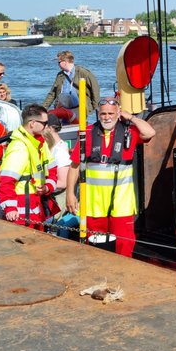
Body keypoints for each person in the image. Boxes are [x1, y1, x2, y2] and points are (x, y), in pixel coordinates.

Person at [67, 95, 155, 256]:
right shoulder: (87, 133)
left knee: (124, 243)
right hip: (93, 203)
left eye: (110, 113)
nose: (106, 117)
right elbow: (74, 166)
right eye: (103, 113)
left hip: (122, 203)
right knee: (94, 246)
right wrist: (70, 194)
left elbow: (150, 132)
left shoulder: (129, 131)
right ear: (98, 114)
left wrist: (131, 117)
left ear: (118, 113)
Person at [0, 104, 57, 229]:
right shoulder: (19, 147)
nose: (47, 127)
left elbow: (52, 170)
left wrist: (47, 187)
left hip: (36, 205)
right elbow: (6, 181)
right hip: (21, 210)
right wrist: (10, 208)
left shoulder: (40, 144)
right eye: (44, 123)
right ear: (32, 123)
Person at [43, 51, 100, 122]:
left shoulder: (83, 72)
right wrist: (43, 108)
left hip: (79, 108)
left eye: (59, 62)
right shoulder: (60, 75)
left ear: (65, 62)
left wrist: (95, 107)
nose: (58, 64)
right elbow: (52, 93)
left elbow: (95, 89)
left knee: (79, 126)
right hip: (62, 108)